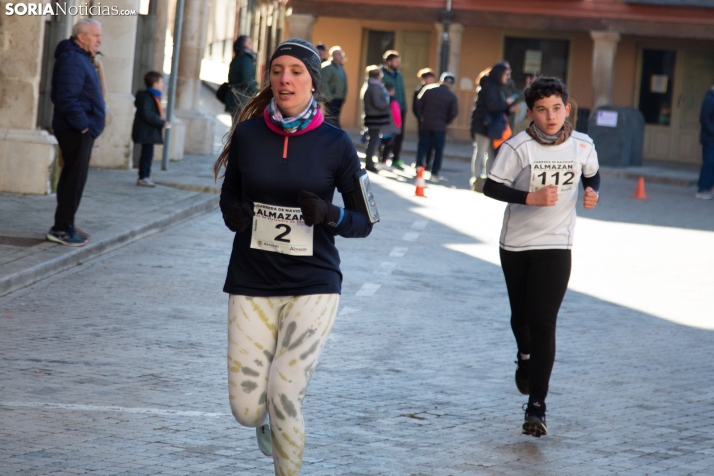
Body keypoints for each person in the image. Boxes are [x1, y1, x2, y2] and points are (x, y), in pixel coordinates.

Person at [213, 38, 375, 475]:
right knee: (248, 410)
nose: (285, 78)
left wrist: (330, 214)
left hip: (314, 284)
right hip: (251, 281)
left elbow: (366, 219)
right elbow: (228, 199)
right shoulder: (247, 135)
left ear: (312, 81)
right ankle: (264, 422)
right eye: (277, 69)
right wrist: (236, 215)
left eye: (296, 71)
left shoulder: (337, 143)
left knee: (284, 391)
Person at [483, 77, 600, 438]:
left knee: (544, 321)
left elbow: (593, 176)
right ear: (531, 113)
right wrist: (528, 199)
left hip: (556, 243)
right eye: (542, 110)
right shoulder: (518, 148)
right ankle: (524, 357)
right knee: (522, 318)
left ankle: (537, 407)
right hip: (517, 244)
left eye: (557, 108)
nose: (551, 116)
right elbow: (490, 186)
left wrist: (592, 192)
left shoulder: (583, 145)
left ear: (567, 108)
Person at [47, 18, 105, 247]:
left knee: (72, 179)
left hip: (78, 130)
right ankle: (61, 228)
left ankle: (66, 223)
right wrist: (84, 126)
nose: (100, 41)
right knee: (73, 181)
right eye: (95, 36)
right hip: (75, 130)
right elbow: (65, 98)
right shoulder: (72, 59)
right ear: (81, 37)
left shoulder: (80, 57)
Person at [469, 62, 518, 192]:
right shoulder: (489, 87)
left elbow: (497, 107)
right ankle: (477, 180)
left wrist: (508, 107)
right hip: (483, 125)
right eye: (506, 74)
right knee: (481, 152)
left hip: (492, 126)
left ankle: (488, 180)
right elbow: (493, 106)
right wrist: (506, 103)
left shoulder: (497, 87)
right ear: (499, 74)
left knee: (491, 154)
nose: (508, 77)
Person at [415, 72, 459, 182]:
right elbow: (454, 113)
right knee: (438, 150)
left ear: (440, 80)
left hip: (426, 123)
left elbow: (419, 104)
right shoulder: (451, 96)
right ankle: (434, 172)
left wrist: (423, 116)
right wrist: (446, 121)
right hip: (440, 126)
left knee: (423, 146)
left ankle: (419, 167)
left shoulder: (428, 90)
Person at [132, 71, 170, 187]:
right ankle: (143, 177)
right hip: (146, 131)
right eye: (161, 82)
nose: (163, 84)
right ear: (155, 84)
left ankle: (145, 176)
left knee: (148, 154)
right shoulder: (147, 97)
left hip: (149, 131)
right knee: (146, 155)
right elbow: (147, 114)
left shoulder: (154, 96)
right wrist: (161, 122)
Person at [361, 65, 391, 172]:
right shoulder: (374, 86)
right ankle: (369, 164)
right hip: (374, 117)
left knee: (372, 140)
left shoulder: (371, 85)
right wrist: (386, 105)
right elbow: (377, 102)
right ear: (377, 75)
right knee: (372, 141)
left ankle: (370, 162)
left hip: (373, 117)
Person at [381, 50, 407, 168]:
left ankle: (396, 158)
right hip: (388, 110)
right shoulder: (381, 74)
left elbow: (402, 91)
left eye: (399, 62)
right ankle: (383, 157)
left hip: (400, 108)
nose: (398, 64)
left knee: (399, 134)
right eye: (396, 61)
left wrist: (404, 106)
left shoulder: (399, 75)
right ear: (389, 62)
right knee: (386, 134)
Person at [225, 35, 258, 119]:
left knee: (236, 125)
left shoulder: (237, 58)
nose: (252, 45)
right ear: (243, 45)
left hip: (235, 96)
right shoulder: (245, 60)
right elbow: (247, 79)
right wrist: (255, 90)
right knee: (240, 125)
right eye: (249, 43)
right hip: (242, 97)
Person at [413, 68, 437, 171]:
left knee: (432, 143)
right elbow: (415, 107)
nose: (431, 80)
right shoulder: (419, 90)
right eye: (429, 78)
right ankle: (419, 163)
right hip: (423, 121)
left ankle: (428, 163)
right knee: (423, 142)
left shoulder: (436, 90)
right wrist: (420, 118)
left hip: (434, 121)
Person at [320, 46, 348, 128]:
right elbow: (323, 82)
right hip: (331, 99)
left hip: (339, 98)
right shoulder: (327, 66)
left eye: (341, 54)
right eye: (339, 54)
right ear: (333, 55)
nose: (341, 56)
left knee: (335, 119)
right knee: (330, 120)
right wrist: (328, 96)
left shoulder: (340, 67)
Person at [696, 80, 714, 200]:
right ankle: (703, 190)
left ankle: (709, 189)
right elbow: (704, 118)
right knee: (709, 164)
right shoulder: (709, 100)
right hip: (710, 139)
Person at [379, 83, 402, 169]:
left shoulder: (381, 100)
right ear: (391, 91)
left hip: (382, 127)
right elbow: (396, 114)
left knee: (382, 145)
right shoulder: (393, 101)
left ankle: (381, 160)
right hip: (391, 127)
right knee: (388, 146)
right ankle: (383, 161)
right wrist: (398, 125)